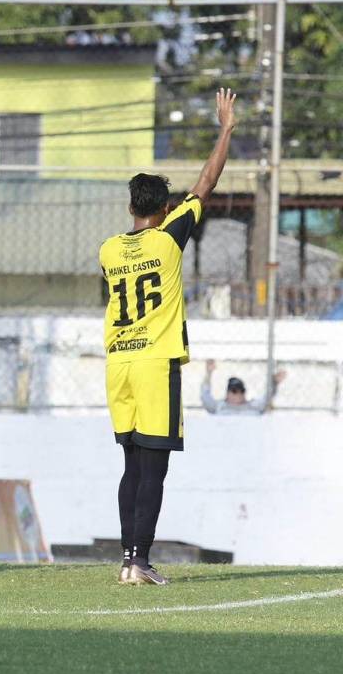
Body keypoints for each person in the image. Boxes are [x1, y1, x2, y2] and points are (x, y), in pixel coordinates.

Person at [100, 88, 236, 586]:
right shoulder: (169, 236)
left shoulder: (110, 249)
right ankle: (139, 562)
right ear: (161, 208)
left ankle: (127, 557)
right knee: (154, 468)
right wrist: (225, 131)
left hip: (118, 364)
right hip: (157, 363)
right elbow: (207, 181)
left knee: (130, 464)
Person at [201, 359, 286, 414]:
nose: (238, 394)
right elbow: (205, 396)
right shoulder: (219, 406)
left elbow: (268, 398)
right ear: (227, 393)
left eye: (242, 390)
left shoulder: (253, 406)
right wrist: (209, 373)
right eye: (234, 391)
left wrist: (274, 382)